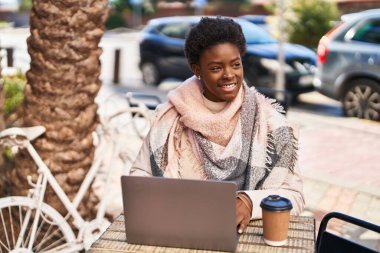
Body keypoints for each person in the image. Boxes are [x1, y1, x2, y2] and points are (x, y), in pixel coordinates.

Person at [130, 16, 304, 234]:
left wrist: (251, 202)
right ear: (197, 70)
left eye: (235, 64)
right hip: (178, 234)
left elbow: (294, 195)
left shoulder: (270, 122)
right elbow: (139, 175)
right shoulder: (170, 117)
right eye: (215, 68)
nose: (229, 74)